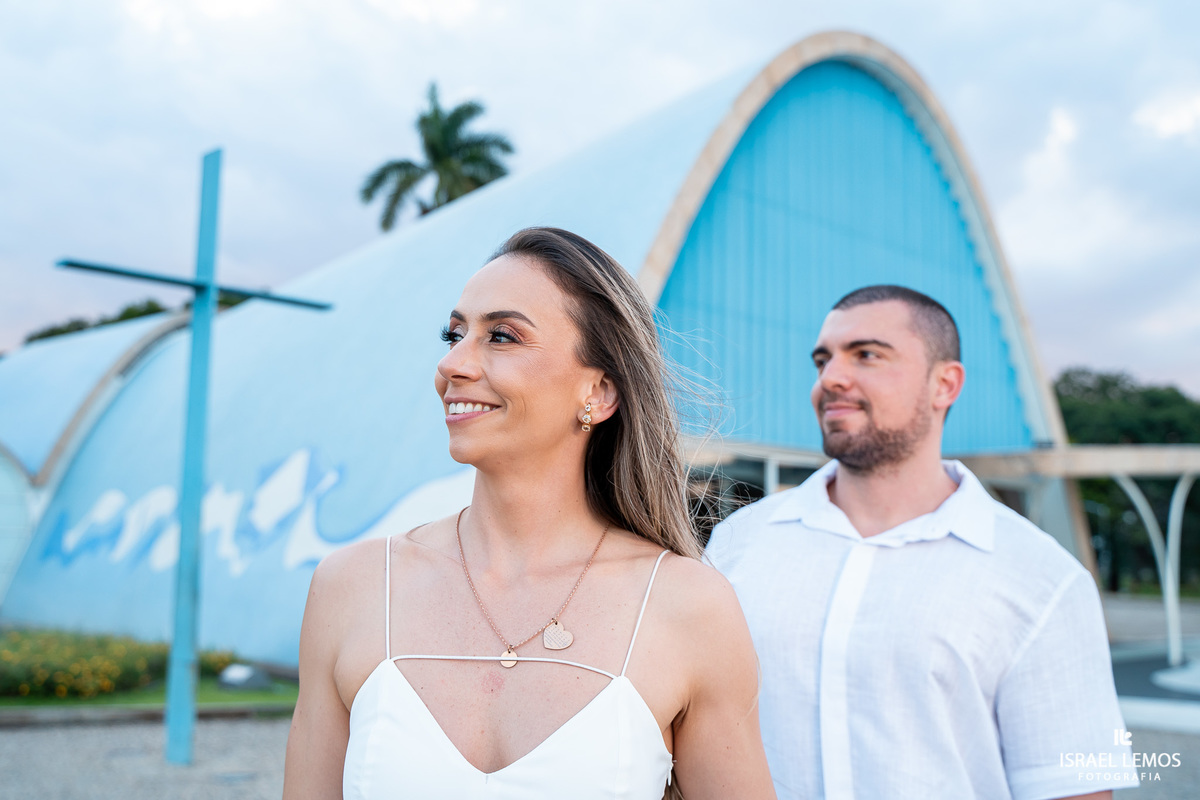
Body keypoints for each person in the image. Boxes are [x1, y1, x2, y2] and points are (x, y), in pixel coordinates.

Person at [283, 227, 776, 799]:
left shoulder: (689, 606)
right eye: (453, 334)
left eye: (502, 336)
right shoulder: (353, 587)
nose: (453, 365)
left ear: (598, 391)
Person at [706, 285, 1137, 800]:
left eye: (866, 355)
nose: (831, 378)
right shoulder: (738, 543)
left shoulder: (1044, 580)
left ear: (944, 384)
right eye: (823, 360)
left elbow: (1073, 787)